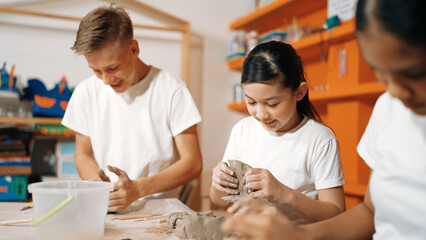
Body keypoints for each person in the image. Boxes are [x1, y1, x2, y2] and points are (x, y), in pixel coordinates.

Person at [221, 0, 426, 239]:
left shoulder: (318, 138)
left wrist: (284, 197)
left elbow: (336, 211)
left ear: (299, 92)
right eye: (380, 71)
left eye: (413, 73)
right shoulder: (388, 107)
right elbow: (371, 211)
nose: (396, 92)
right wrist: (296, 236)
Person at [62, 5, 203, 212]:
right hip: (108, 211)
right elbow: (82, 154)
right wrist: (98, 186)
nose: (106, 80)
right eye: (97, 71)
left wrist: (138, 189)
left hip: (160, 213)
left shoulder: (173, 91)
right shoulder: (86, 92)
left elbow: (193, 163)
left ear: (134, 49)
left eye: (112, 68)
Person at [210, 41, 346, 223]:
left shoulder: (319, 139)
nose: (261, 114)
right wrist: (219, 184)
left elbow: (337, 215)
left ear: (299, 92)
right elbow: (219, 202)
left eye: (272, 104)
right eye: (251, 102)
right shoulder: (242, 130)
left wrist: (283, 193)